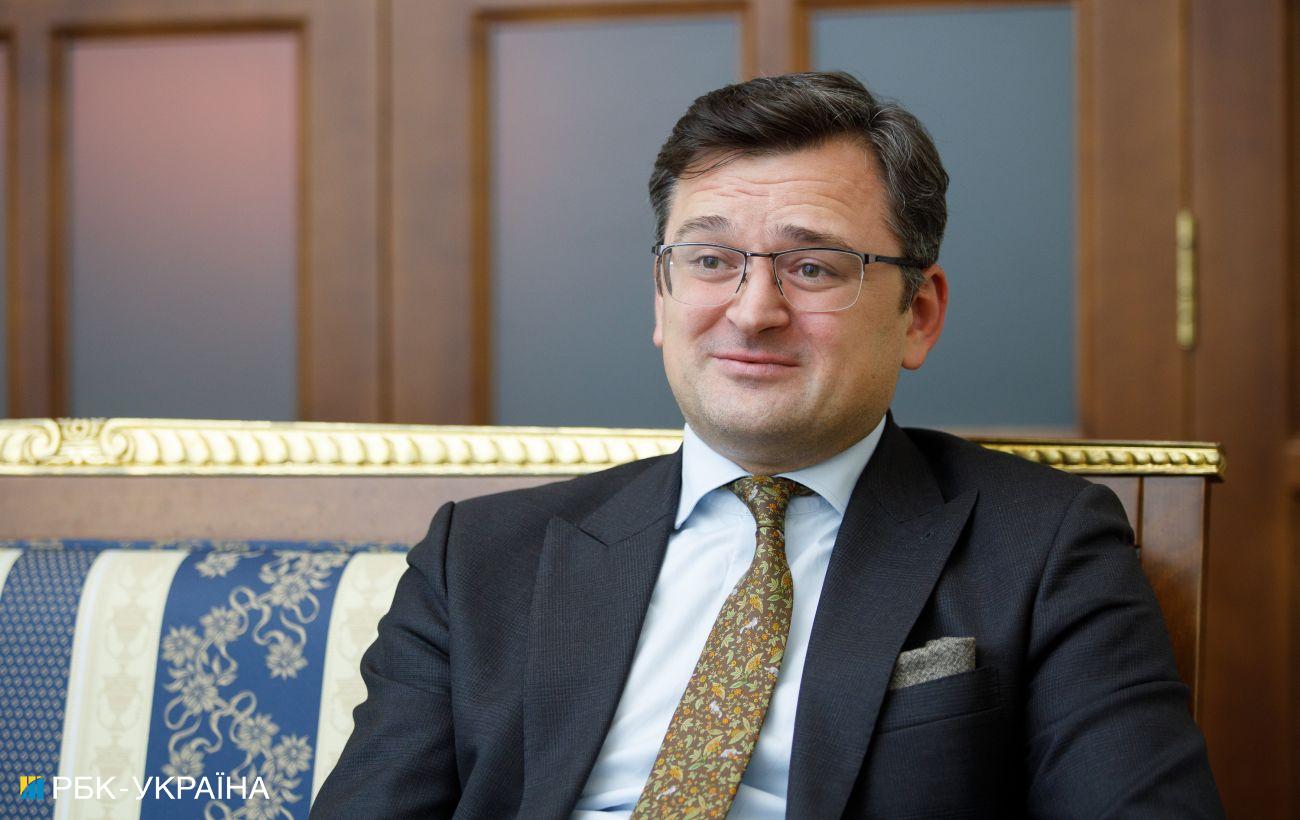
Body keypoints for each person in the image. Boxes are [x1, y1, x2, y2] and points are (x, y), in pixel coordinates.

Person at [311, 71, 1222, 818]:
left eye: (812, 267)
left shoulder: (1044, 547)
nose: (753, 311)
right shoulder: (481, 558)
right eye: (711, 260)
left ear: (919, 314)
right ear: (661, 298)